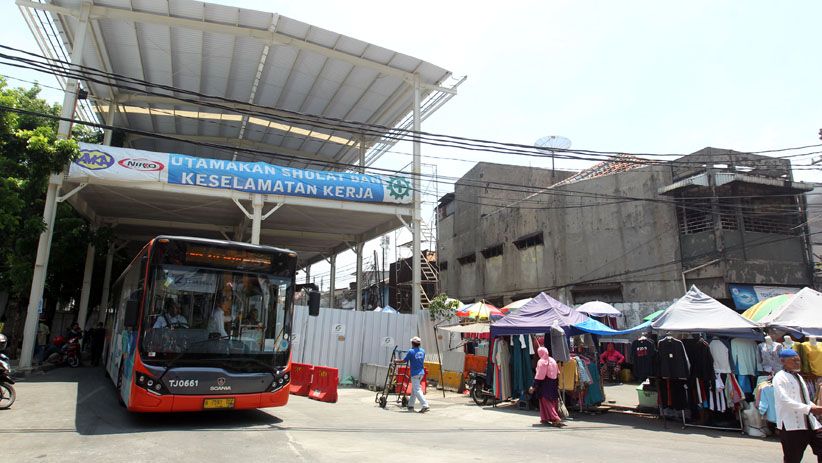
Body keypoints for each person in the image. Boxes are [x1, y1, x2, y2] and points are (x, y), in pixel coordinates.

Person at [773, 348, 822, 463]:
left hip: (810, 423)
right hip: (792, 426)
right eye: (793, 360)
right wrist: (810, 408)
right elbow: (784, 400)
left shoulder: (798, 376)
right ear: (783, 361)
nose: (797, 363)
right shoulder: (779, 377)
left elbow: (804, 399)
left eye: (798, 360)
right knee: (792, 459)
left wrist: (814, 407)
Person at [529, 346, 563, 427]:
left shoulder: (541, 361)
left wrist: (533, 386)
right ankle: (544, 418)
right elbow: (557, 373)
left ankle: (555, 418)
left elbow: (539, 376)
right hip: (553, 383)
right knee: (552, 401)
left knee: (546, 402)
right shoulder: (552, 360)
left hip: (545, 384)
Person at [399, 336, 429, 413]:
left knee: (417, 390)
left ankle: (425, 405)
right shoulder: (422, 351)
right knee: (414, 390)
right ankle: (410, 405)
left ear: (412, 343)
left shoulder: (411, 351)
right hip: (421, 373)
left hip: (415, 373)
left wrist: (397, 361)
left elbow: (404, 360)